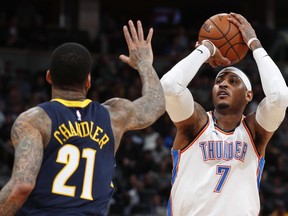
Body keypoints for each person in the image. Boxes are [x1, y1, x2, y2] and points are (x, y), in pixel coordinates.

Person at [0, 20, 165, 216]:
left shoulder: (34, 120)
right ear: (88, 80)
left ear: (49, 77)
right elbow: (156, 103)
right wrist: (144, 63)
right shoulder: (114, 116)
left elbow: (22, 186)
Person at [160, 12, 288, 216]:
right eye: (219, 81)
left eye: (233, 81)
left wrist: (254, 44)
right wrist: (206, 48)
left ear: (248, 95)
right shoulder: (196, 124)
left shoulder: (254, 133)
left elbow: (280, 96)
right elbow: (167, 87)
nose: (223, 84)